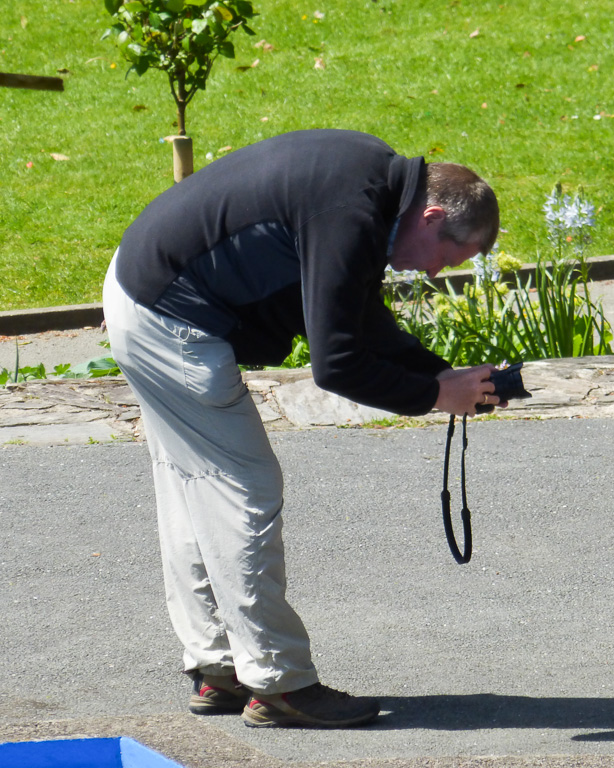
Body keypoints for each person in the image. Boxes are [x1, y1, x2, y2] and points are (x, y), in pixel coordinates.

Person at [102, 129, 502, 729]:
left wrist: (436, 373)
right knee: (244, 491)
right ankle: (279, 683)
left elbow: (357, 314)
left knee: (196, 488)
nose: (437, 273)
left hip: (145, 292)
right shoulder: (351, 213)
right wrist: (433, 394)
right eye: (448, 257)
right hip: (170, 319)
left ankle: (219, 668)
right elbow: (336, 363)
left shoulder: (370, 184)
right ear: (432, 215)